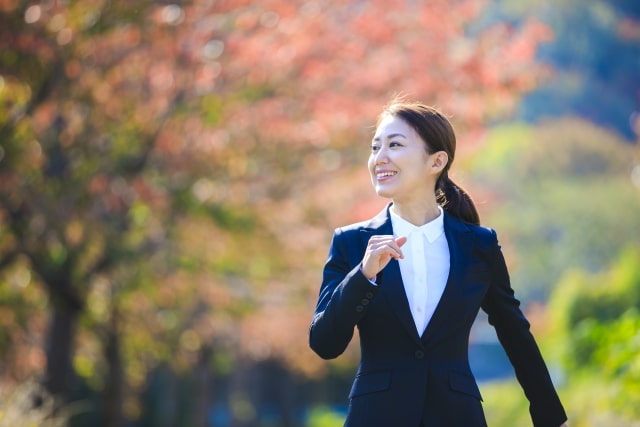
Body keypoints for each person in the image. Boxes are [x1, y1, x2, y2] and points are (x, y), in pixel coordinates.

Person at [308, 98, 568, 427]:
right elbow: (325, 344)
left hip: (457, 416)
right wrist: (364, 274)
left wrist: (552, 418)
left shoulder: (478, 245)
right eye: (375, 147)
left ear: (436, 161)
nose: (379, 158)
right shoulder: (351, 243)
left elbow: (516, 335)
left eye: (395, 144)